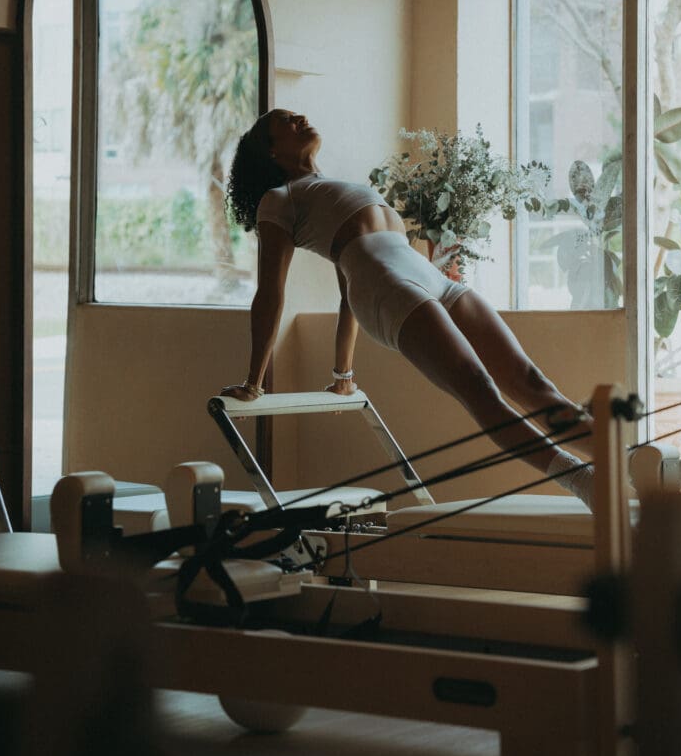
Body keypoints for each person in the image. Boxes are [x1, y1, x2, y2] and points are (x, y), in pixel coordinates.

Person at [221, 109, 595, 510]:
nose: (299, 117)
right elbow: (270, 293)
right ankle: (584, 481)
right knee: (479, 388)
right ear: (271, 151)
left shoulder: (332, 186)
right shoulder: (279, 199)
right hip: (386, 289)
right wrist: (254, 382)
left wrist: (343, 376)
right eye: (286, 121)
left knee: (531, 380)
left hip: (433, 281)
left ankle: (625, 463)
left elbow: (345, 296)